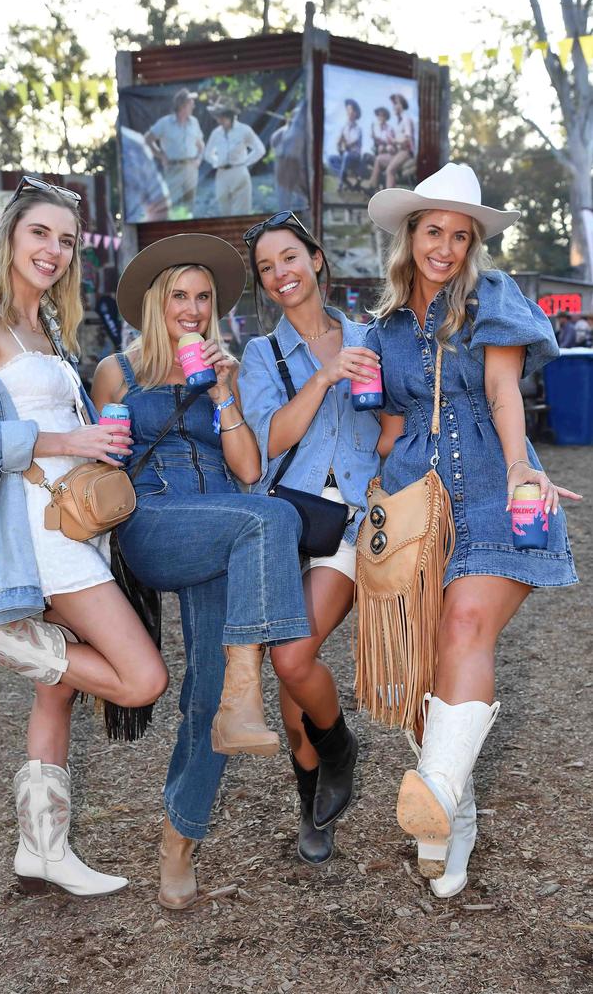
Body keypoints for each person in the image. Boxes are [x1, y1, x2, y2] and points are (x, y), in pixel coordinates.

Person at [0, 176, 168, 897]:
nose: (54, 250)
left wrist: (98, 440)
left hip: (73, 530)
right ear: (10, 235)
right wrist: (69, 435)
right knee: (142, 679)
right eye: (40, 233)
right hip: (39, 537)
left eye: (67, 240)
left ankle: (42, 849)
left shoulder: (48, 331)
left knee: (59, 689)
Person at [366, 162, 580, 898]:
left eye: (461, 235)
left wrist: (524, 468)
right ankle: (452, 813)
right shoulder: (384, 329)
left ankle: (435, 798)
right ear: (410, 234)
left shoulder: (493, 298)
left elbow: (501, 391)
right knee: (426, 673)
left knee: (465, 627)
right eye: (435, 231)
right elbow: (389, 429)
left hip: (493, 493)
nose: (447, 247)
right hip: (416, 508)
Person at [91, 232, 311, 909]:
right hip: (155, 524)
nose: (192, 308)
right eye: (180, 296)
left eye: (203, 298)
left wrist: (223, 391)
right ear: (158, 303)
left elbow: (247, 469)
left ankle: (178, 839)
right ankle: (250, 692)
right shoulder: (115, 371)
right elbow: (101, 474)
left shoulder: (228, 365)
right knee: (272, 516)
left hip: (224, 526)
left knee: (208, 693)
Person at [237, 211, 382, 867]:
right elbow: (266, 442)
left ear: (316, 260)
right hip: (283, 521)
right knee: (288, 685)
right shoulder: (261, 354)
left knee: (294, 659)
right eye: (267, 268)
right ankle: (312, 802)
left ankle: (342, 749)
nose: (281, 274)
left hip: (352, 522)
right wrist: (323, 377)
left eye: (289, 258)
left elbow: (399, 425)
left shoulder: (373, 337)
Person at [144, 88, 204, 216]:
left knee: (190, 206)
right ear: (182, 105)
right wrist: (160, 155)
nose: (193, 105)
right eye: (190, 103)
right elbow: (148, 139)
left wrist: (198, 159)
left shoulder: (194, 122)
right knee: (172, 206)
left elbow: (200, 145)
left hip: (191, 169)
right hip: (173, 169)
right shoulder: (165, 123)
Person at [203, 100, 266, 216]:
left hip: (239, 171)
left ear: (230, 117)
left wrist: (245, 163)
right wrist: (216, 162)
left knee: (242, 212)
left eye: (222, 118)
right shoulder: (216, 133)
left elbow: (260, 149)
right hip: (221, 173)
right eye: (218, 118)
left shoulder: (244, 130)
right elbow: (207, 153)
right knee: (224, 212)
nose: (219, 121)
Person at [374, 93, 415, 189]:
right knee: (379, 159)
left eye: (396, 104)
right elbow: (396, 142)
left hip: (406, 152)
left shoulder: (406, 119)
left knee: (390, 171)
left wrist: (394, 141)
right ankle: (373, 189)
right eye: (393, 104)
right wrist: (391, 146)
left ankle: (390, 199)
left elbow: (407, 139)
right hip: (398, 152)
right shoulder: (398, 122)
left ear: (402, 105)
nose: (394, 107)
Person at [328, 99, 363, 193]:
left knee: (347, 154)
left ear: (355, 113)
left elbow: (351, 143)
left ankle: (341, 184)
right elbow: (340, 144)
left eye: (350, 110)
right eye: (347, 110)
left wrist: (343, 143)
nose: (348, 112)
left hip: (354, 157)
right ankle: (346, 179)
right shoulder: (344, 127)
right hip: (345, 155)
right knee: (330, 159)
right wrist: (338, 144)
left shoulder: (358, 128)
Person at [368, 106, 395, 190]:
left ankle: (373, 186)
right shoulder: (376, 127)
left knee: (378, 160)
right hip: (377, 152)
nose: (380, 117)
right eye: (379, 115)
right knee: (369, 157)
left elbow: (392, 144)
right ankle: (376, 187)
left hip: (388, 153)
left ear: (386, 117)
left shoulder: (390, 128)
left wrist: (384, 146)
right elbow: (374, 141)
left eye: (383, 115)